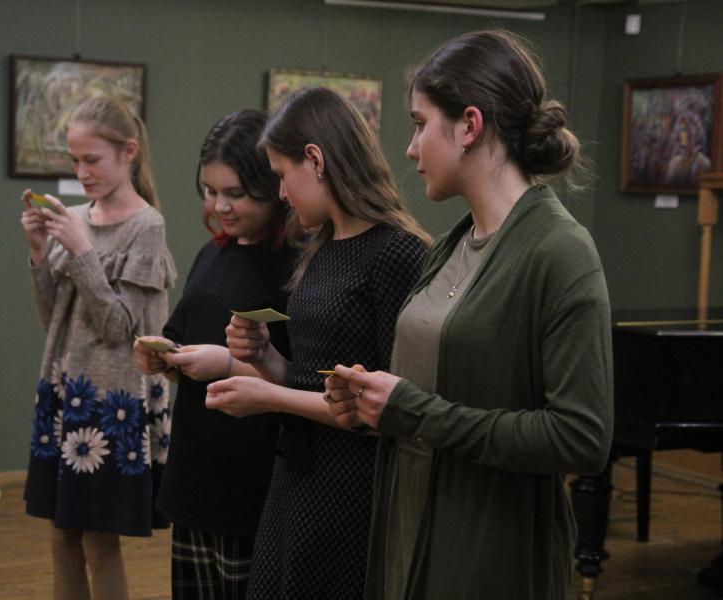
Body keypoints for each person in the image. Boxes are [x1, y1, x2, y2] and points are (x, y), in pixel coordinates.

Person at [325, 30, 613, 600]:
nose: (411, 149)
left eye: (419, 124)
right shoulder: (449, 246)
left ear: (469, 126)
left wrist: (415, 413)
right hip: (411, 524)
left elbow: (581, 438)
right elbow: (431, 395)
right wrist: (371, 406)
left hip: (487, 549)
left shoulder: (560, 251)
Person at [205, 87, 430, 599]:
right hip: (299, 473)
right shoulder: (321, 246)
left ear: (316, 159)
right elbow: (310, 378)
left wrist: (269, 396)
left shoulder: (397, 252)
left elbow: (384, 409)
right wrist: (264, 356)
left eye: (283, 175)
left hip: (351, 487)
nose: (281, 194)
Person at [132, 109, 296, 599]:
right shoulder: (212, 254)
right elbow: (183, 339)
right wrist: (164, 359)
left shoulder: (296, 265)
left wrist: (223, 362)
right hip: (195, 477)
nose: (220, 206)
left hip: (251, 484)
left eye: (235, 193)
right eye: (210, 191)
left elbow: (298, 375)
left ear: (274, 186)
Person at [20, 95, 176, 600]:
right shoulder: (77, 218)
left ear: (128, 152)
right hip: (67, 393)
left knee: (97, 540)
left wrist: (83, 252)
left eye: (92, 160)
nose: (82, 172)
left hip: (112, 403)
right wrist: (39, 254)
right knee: (61, 535)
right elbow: (52, 318)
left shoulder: (147, 226)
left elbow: (117, 327)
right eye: (74, 160)